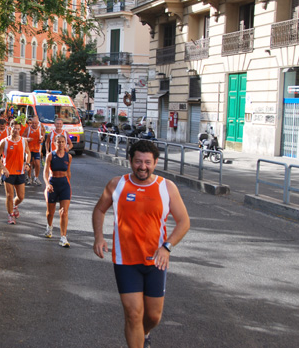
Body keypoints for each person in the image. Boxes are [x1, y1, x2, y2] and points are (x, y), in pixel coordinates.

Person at [92, 140, 190, 348]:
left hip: (156, 262)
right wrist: (99, 237)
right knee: (133, 314)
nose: (142, 166)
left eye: (147, 162)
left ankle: (143, 334)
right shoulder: (116, 184)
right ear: (130, 161)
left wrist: (167, 247)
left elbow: (184, 222)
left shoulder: (166, 187)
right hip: (125, 261)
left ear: (155, 163)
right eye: (138, 161)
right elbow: (99, 209)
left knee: (153, 316)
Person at [0, 120, 31, 224]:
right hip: (8, 172)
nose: (16, 131)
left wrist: (27, 163)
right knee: (9, 195)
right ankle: (10, 215)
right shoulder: (4, 141)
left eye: (18, 129)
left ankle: (15, 206)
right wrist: (3, 168)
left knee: (21, 197)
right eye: (14, 128)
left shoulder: (23, 141)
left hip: (20, 172)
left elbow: (28, 153)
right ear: (10, 128)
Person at [43, 134, 72, 247]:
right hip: (53, 184)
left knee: (64, 212)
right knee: (50, 212)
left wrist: (69, 184)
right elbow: (45, 172)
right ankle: (49, 227)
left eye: (62, 142)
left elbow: (68, 172)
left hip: (64, 185)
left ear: (65, 143)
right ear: (54, 143)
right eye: (58, 142)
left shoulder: (68, 157)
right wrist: (47, 184)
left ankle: (63, 237)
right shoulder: (50, 156)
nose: (60, 144)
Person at [24, 115, 44, 186]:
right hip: (29, 150)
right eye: (33, 123)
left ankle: (36, 177)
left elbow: (42, 136)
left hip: (36, 149)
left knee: (37, 164)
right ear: (31, 123)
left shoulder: (40, 129)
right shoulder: (28, 129)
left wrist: (41, 138)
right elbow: (22, 138)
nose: (34, 124)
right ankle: (29, 177)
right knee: (30, 164)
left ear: (38, 123)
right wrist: (27, 139)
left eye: (36, 123)